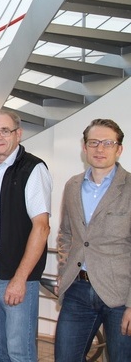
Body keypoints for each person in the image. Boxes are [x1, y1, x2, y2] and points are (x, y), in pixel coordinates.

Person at [0, 110, 52, 361]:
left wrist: (21, 278)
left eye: (4, 130)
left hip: (15, 271)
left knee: (19, 350)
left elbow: (41, 227)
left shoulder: (33, 169)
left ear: (18, 134)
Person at [55, 119, 131, 362]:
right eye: (94, 143)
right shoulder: (73, 185)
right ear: (84, 147)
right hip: (77, 289)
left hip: (120, 294)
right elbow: (66, 234)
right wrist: (64, 269)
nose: (100, 149)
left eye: (108, 143)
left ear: (119, 149)